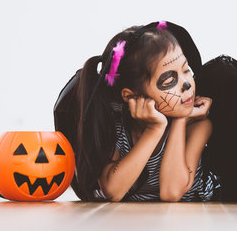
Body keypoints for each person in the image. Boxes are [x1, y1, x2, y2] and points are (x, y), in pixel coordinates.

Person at [75, 21, 217, 202]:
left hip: (189, 216)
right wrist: (154, 129)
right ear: (130, 96)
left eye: (186, 70)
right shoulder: (116, 125)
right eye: (168, 80)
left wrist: (181, 118)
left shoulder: (198, 125)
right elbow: (113, 191)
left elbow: (171, 192)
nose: (187, 84)